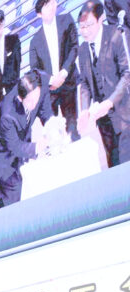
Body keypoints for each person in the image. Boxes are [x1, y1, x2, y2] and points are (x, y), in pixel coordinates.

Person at [0, 70, 53, 207]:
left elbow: (44, 108)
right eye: (30, 101)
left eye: (36, 98)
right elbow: (15, 147)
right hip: (1, 156)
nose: (34, 104)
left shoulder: (36, 88)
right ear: (20, 98)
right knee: (14, 195)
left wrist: (52, 125)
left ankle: (1, 202)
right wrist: (38, 146)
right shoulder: (8, 114)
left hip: (17, 144)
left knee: (14, 189)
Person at [76, 0, 130, 168]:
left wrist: (109, 102)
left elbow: (127, 75)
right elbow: (84, 83)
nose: (85, 31)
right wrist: (84, 109)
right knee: (113, 165)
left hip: (124, 115)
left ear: (100, 20)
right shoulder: (82, 50)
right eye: (82, 27)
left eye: (89, 25)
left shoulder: (116, 35)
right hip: (104, 123)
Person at [29, 0, 80, 141]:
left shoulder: (66, 20)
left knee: (72, 131)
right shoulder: (35, 41)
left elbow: (74, 47)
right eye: (46, 5)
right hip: (49, 93)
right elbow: (34, 69)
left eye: (52, 2)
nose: (51, 7)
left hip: (68, 84)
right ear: (39, 14)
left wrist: (64, 72)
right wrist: (51, 80)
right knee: (54, 137)